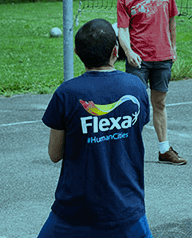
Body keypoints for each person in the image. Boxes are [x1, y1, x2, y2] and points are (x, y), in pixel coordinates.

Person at [37, 19, 152, 238]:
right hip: (126, 207)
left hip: (75, 209)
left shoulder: (66, 94)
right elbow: (135, 133)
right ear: (115, 51)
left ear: (76, 53)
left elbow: (54, 154)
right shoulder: (136, 87)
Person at [117, 0, 185, 165]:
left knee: (160, 103)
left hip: (163, 57)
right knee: (135, 105)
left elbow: (172, 21)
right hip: (139, 59)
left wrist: (173, 48)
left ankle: (164, 149)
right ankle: (129, 151)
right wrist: (129, 52)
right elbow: (122, 30)